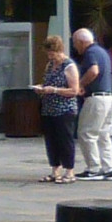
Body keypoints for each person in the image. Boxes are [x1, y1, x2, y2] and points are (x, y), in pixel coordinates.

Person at [73, 27, 112, 181]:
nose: (75, 47)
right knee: (103, 134)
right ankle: (108, 168)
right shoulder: (102, 51)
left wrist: (80, 84)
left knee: (86, 133)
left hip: (96, 99)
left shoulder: (90, 53)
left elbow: (93, 71)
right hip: (108, 97)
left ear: (81, 42)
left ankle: (93, 168)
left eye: (75, 43)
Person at [37, 36, 83, 183]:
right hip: (49, 108)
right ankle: (54, 170)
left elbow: (74, 90)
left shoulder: (69, 66)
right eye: (49, 54)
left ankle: (69, 171)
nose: (51, 57)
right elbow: (47, 83)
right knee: (51, 140)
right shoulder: (50, 65)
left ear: (59, 51)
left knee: (65, 140)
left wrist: (55, 90)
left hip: (64, 109)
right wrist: (42, 89)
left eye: (53, 54)